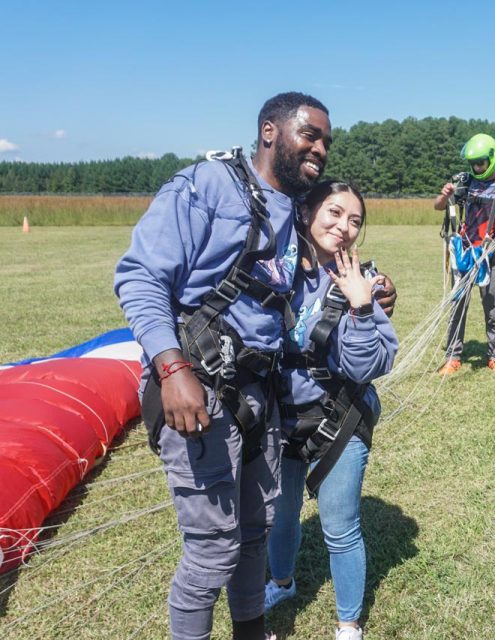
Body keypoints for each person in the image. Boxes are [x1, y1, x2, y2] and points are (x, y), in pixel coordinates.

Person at [115, 93, 396, 640]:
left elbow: (317, 290)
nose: (319, 148)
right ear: (269, 131)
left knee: (253, 534)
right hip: (201, 387)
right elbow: (140, 276)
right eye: (308, 134)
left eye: (326, 141)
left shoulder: (295, 210)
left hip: (261, 399)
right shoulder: (208, 186)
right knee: (211, 551)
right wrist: (171, 368)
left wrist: (372, 298)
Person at [264, 181, 397, 640]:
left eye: (355, 220)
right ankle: (280, 582)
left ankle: (348, 623)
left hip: (340, 418)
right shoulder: (273, 274)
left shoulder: (367, 282)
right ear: (304, 213)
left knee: (340, 525)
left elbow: (367, 365)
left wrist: (361, 307)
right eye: (334, 213)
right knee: (279, 517)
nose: (344, 227)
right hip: (279, 421)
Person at [432, 133, 495, 375]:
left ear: (492, 160)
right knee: (458, 306)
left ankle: (494, 356)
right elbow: (437, 206)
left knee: (491, 305)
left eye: (481, 163)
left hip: (493, 256)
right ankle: (453, 357)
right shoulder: (466, 184)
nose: (477, 167)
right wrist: (445, 195)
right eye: (473, 163)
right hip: (466, 254)